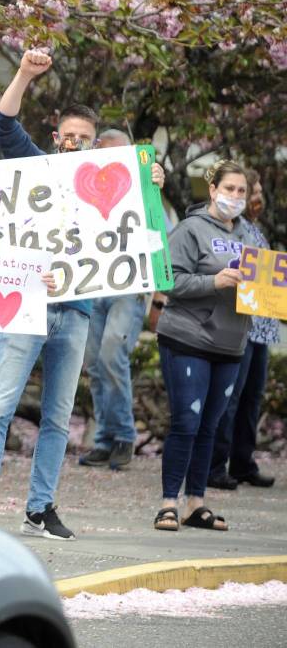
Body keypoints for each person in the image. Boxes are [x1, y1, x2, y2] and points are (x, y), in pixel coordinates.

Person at [0, 50, 165, 540]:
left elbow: (146, 234)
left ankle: (40, 509)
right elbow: (4, 124)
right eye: (69, 137)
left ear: (98, 148)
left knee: (56, 418)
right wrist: (25, 75)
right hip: (25, 307)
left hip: (75, 313)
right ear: (56, 139)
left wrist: (152, 184)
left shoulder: (110, 189)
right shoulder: (34, 168)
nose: (75, 145)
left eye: (85, 140)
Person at [152, 159, 251, 532]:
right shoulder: (190, 229)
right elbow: (168, 281)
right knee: (187, 422)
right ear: (212, 190)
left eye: (241, 191)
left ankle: (196, 503)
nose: (236, 197)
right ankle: (167, 503)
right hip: (187, 338)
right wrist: (215, 283)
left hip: (231, 345)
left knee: (210, 425)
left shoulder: (250, 237)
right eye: (229, 189)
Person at [79, 129, 149, 470]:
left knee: (111, 353)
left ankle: (124, 435)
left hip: (127, 285)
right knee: (93, 362)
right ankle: (105, 439)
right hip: (92, 285)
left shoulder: (144, 188)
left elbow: (159, 234)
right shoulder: (82, 187)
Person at [208, 169, 278, 490]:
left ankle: (242, 461)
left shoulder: (256, 229)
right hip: (241, 324)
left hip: (263, 324)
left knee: (252, 397)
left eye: (258, 191)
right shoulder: (232, 230)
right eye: (253, 192)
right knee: (231, 398)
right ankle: (216, 465)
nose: (256, 198)